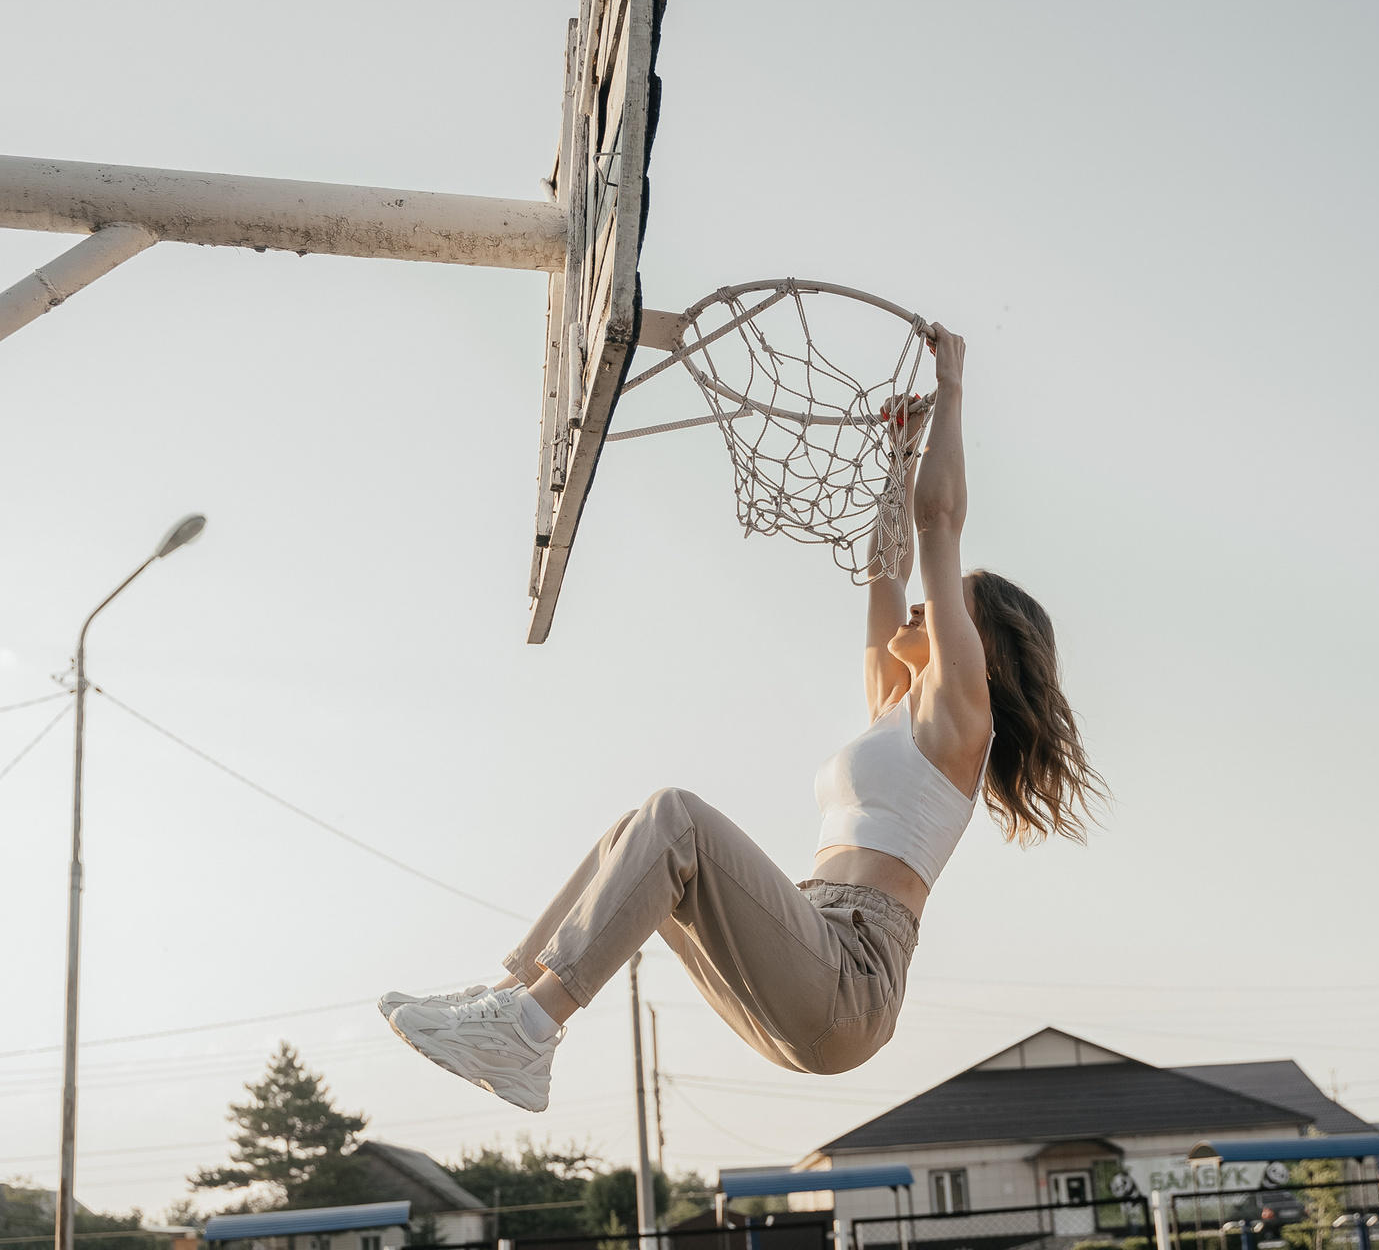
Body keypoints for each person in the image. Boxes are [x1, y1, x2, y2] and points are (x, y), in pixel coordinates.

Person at [381, 324, 1101, 1110]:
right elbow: (886, 570)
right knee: (638, 831)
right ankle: (508, 999)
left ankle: (526, 1029)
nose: (923, 604)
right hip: (804, 961)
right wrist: (898, 459)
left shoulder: (961, 717)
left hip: (849, 977)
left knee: (676, 817)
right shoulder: (893, 710)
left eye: (946, 606)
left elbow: (938, 527)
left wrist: (955, 392)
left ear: (980, 651)